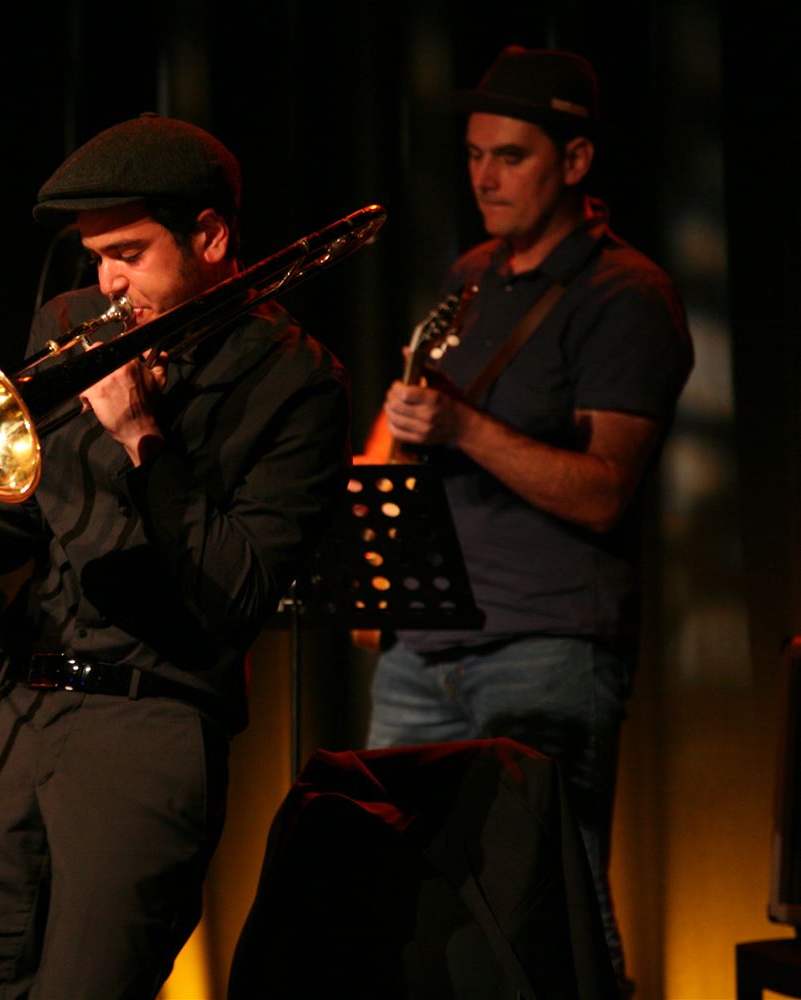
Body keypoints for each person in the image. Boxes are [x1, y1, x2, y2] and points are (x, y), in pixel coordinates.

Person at [0, 115, 351, 998]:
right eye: (96, 258)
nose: (107, 285)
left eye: (129, 254)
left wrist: (141, 438)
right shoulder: (70, 326)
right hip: (15, 704)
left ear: (210, 236)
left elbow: (235, 591)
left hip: (147, 723)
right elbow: (28, 519)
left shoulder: (298, 384)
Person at [358, 46, 693, 988]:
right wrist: (371, 536)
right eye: (474, 156)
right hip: (423, 645)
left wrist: (463, 427)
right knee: (396, 895)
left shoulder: (627, 294)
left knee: (560, 904)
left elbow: (604, 489)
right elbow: (411, 405)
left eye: (510, 156)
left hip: (546, 644)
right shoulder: (473, 272)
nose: (485, 178)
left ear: (575, 161)